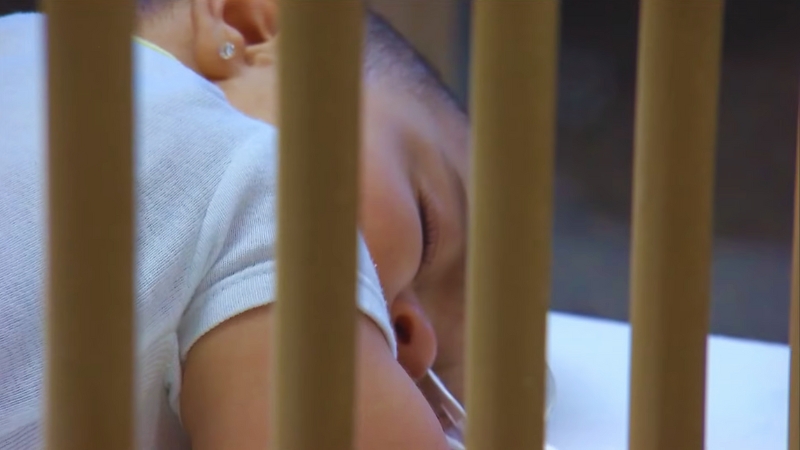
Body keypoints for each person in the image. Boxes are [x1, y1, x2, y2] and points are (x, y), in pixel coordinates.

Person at [0, 0, 469, 449]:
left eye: (433, 383)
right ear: (248, 28)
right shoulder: (254, 178)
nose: (421, 350)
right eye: (428, 230)